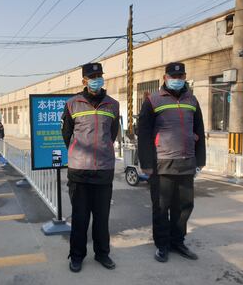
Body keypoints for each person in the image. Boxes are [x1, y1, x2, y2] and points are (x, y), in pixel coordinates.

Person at [137, 62, 206, 263]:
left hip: (186, 162)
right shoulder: (153, 100)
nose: (177, 80)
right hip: (162, 163)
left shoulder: (192, 100)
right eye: (173, 76)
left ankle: (178, 241)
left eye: (181, 76)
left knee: (184, 206)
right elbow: (144, 133)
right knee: (161, 207)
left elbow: (199, 130)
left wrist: (200, 159)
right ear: (165, 77)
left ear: (185, 77)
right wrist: (146, 163)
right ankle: (162, 245)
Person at [61, 62, 120, 272]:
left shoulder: (112, 104)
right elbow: (67, 134)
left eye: (99, 75)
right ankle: (76, 255)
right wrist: (78, 153)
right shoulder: (72, 104)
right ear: (84, 81)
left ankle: (102, 254)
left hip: (104, 169)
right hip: (79, 171)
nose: (97, 79)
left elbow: (112, 134)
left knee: (102, 217)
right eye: (92, 76)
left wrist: (101, 150)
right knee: (80, 217)